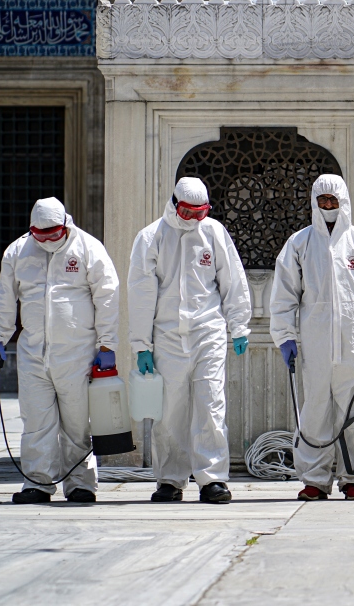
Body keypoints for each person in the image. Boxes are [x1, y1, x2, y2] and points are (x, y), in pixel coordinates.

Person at [0, 197, 119, 504]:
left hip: (78, 354)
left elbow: (108, 296)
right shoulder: (18, 252)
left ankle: (81, 485)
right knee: (36, 422)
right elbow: (5, 300)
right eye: (40, 234)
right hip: (34, 354)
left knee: (76, 424)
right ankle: (38, 483)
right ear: (31, 229)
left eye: (53, 234)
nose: (46, 240)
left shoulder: (87, 248)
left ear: (66, 225)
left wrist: (107, 344)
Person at [128, 177, 251, 504]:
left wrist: (239, 326)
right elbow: (141, 294)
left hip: (208, 332)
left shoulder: (214, 233)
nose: (194, 219)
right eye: (188, 212)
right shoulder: (152, 237)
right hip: (167, 336)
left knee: (210, 405)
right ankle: (170, 479)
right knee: (170, 412)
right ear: (174, 204)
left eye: (201, 212)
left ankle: (212, 479)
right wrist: (141, 345)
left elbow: (233, 281)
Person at [271, 174, 354, 501]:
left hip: (353, 342)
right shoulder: (300, 243)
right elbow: (284, 295)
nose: (328, 206)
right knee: (316, 412)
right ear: (314, 202)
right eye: (322, 201)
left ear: (344, 202)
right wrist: (286, 337)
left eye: (333, 201)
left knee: (352, 411)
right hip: (314, 343)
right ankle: (315, 481)